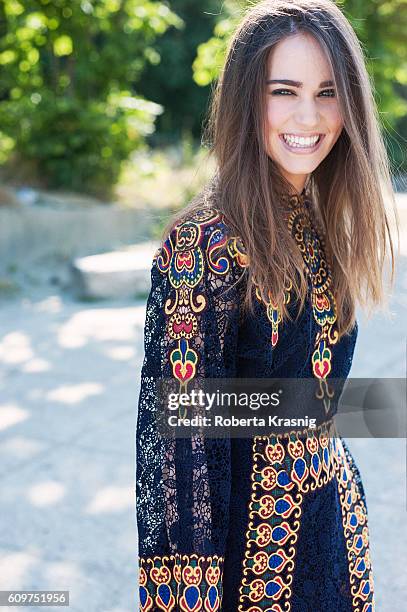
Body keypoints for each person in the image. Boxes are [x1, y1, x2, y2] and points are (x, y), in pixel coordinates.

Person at [136, 0, 397, 609]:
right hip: (251, 568)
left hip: (330, 537)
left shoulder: (318, 220)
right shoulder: (206, 241)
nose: (310, 116)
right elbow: (182, 441)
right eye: (285, 90)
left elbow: (302, 395)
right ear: (247, 99)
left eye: (329, 92)